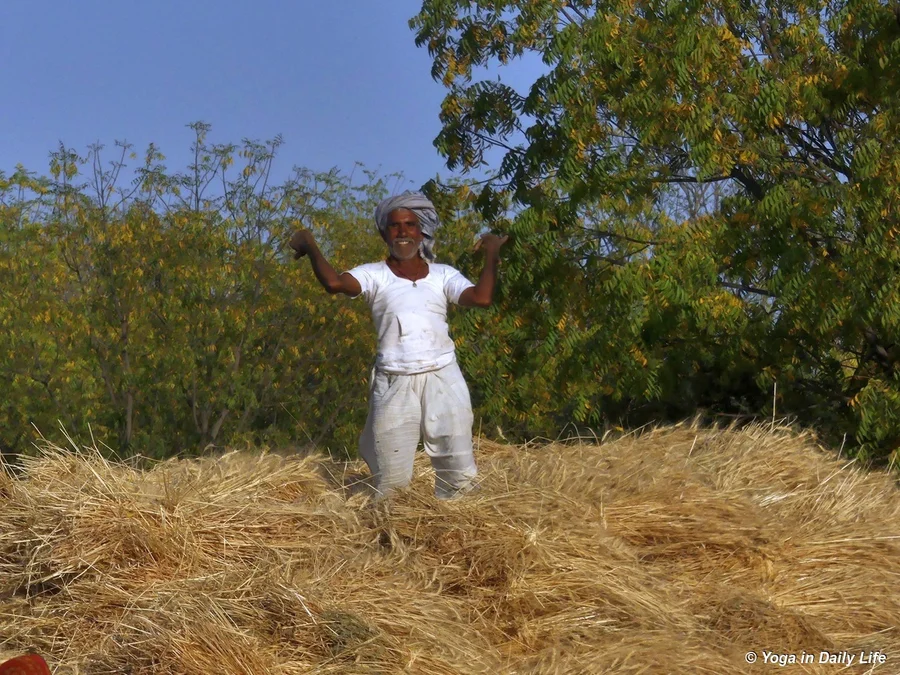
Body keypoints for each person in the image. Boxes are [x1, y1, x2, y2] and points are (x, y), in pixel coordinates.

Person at [289, 191, 507, 499]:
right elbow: (335, 283)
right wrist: (311, 246)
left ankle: (457, 531)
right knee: (392, 478)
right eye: (394, 226)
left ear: (421, 232)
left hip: (442, 376)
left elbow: (481, 298)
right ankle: (392, 534)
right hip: (394, 380)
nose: (403, 232)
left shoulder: (442, 275)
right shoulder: (374, 275)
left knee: (458, 465)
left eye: (410, 225)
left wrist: (492, 254)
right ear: (384, 234)